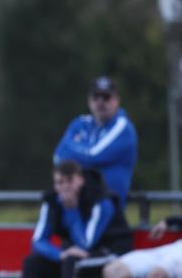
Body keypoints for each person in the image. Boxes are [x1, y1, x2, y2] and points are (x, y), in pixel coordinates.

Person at [17, 160, 132, 278]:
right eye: (59, 182)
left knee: (72, 260)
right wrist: (59, 254)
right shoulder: (52, 201)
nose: (64, 187)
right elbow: (38, 241)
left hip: (108, 253)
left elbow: (86, 243)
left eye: (69, 181)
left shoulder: (102, 200)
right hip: (75, 255)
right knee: (31, 263)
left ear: (80, 179)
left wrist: (72, 210)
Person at [53, 76, 138, 206]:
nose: (100, 102)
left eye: (106, 97)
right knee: (49, 202)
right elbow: (58, 156)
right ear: (89, 100)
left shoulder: (123, 127)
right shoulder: (80, 123)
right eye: (95, 97)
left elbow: (94, 156)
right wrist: (86, 153)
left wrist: (73, 149)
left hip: (107, 207)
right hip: (77, 205)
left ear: (116, 100)